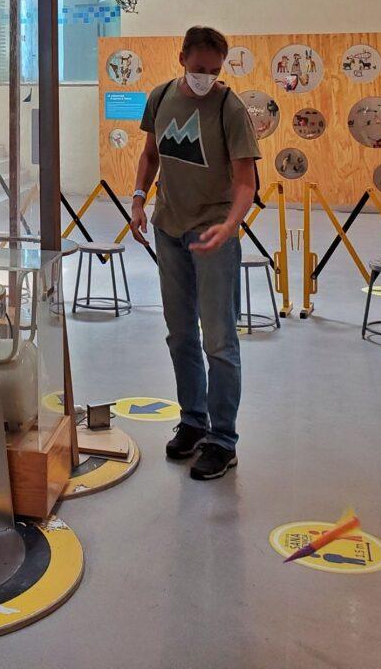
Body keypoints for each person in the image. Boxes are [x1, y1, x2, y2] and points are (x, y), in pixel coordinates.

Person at [130, 26, 260, 481]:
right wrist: (138, 199)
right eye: (199, 67)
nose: (206, 77)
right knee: (180, 334)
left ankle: (222, 440)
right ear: (182, 57)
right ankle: (193, 420)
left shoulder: (230, 109)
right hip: (169, 227)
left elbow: (246, 182)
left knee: (219, 341)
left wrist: (230, 225)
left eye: (214, 70)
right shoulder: (161, 97)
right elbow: (150, 155)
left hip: (213, 232)